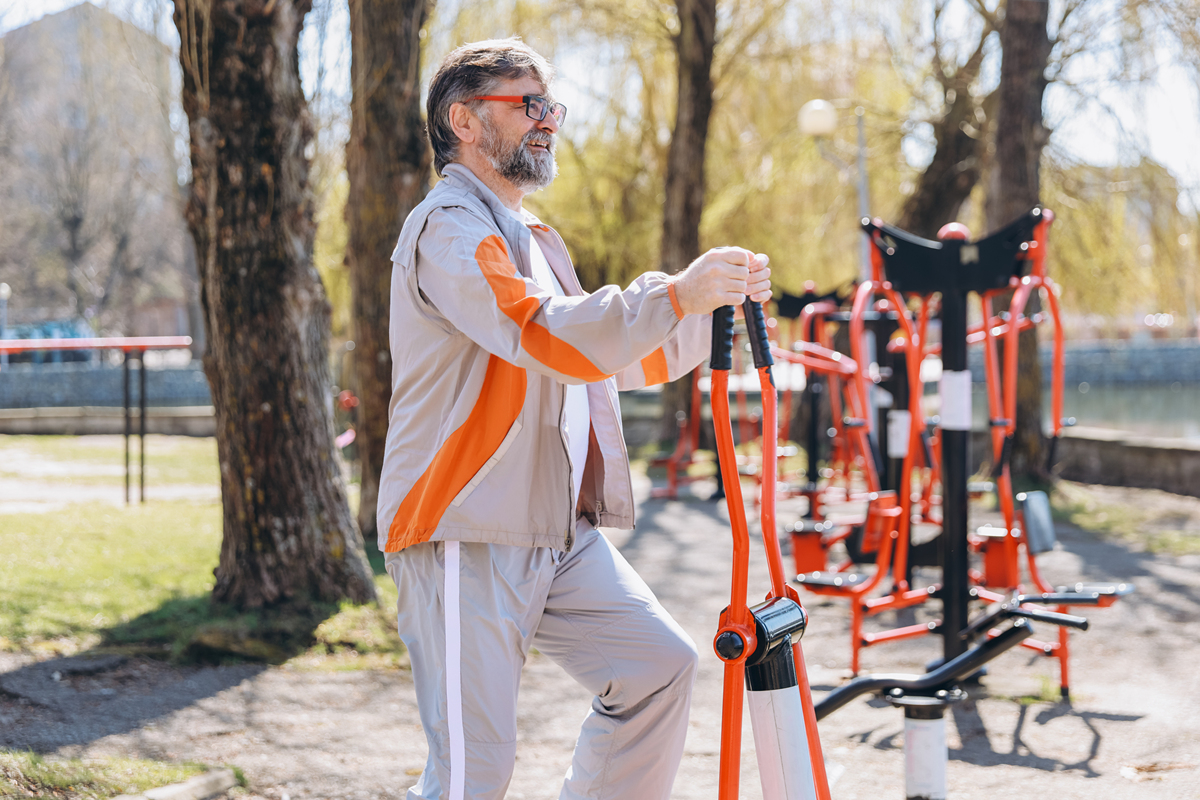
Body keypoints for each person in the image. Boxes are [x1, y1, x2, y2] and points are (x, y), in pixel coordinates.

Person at [378, 37, 771, 800]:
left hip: (553, 531)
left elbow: (599, 362)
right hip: (465, 530)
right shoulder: (450, 229)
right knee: (473, 773)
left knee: (656, 669)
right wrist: (674, 295)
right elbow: (538, 329)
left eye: (551, 106)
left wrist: (709, 317)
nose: (548, 121)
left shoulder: (531, 239)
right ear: (464, 120)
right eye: (528, 105)